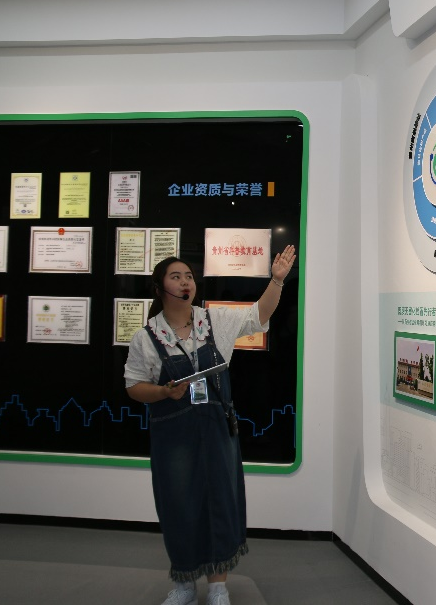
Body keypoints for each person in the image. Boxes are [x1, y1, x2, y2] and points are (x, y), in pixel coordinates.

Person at [124, 245, 296, 605]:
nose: (185, 282)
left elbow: (258, 315)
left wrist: (277, 280)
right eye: (176, 277)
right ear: (159, 288)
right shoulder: (147, 337)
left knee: (220, 502)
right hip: (174, 437)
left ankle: (218, 587)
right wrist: (163, 392)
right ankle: (185, 584)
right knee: (179, 505)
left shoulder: (213, 321)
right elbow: (134, 386)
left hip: (217, 431)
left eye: (189, 276)